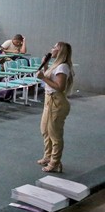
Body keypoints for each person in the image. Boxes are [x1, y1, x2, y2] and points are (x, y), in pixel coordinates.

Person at [36, 42, 74, 173]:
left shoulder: (63, 67)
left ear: (60, 51)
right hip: (49, 100)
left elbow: (59, 87)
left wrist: (43, 78)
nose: (52, 49)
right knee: (45, 130)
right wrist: (45, 66)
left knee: (55, 134)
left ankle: (55, 162)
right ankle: (48, 156)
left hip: (57, 102)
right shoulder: (55, 65)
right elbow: (50, 78)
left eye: (55, 47)